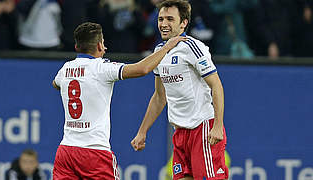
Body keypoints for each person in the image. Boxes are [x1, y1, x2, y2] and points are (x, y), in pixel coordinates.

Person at [52, 22, 186, 179]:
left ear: (76, 47)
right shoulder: (102, 68)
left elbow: (56, 84)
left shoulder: (65, 69)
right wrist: (166, 48)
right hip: (94, 151)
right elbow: (141, 69)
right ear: (100, 45)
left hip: (66, 150)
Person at [130, 0, 228, 179]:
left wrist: (218, 126)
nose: (163, 24)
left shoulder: (193, 47)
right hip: (180, 133)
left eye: (170, 19)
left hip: (203, 128)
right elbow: (160, 97)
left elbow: (216, 85)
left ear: (183, 23)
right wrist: (142, 131)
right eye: (160, 19)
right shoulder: (159, 51)